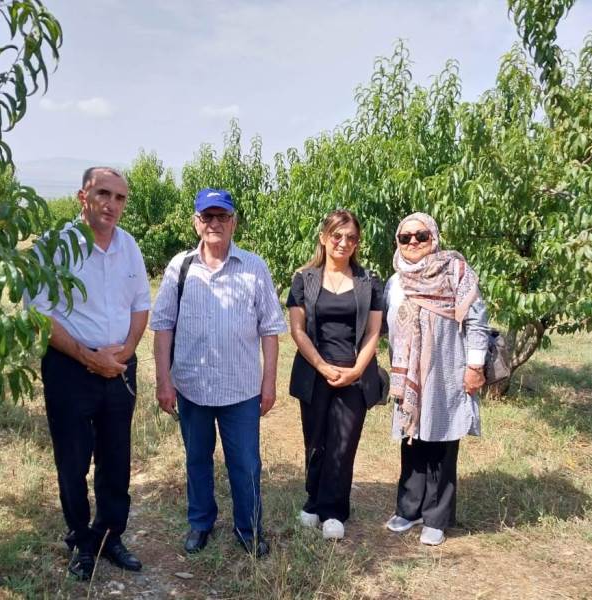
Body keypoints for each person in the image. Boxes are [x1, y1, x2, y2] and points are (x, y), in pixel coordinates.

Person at [26, 167, 150, 579]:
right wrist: (85, 355)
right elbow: (38, 314)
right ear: (83, 197)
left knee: (116, 459)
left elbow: (140, 306)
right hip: (69, 370)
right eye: (103, 194)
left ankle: (110, 536)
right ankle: (80, 540)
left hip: (119, 369)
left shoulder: (129, 247)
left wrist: (127, 352)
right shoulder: (53, 246)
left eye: (120, 198)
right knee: (73, 460)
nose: (112, 204)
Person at [150, 188, 286, 557]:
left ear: (233, 222)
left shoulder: (254, 267)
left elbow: (271, 329)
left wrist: (269, 383)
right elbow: (163, 327)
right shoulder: (180, 267)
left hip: (241, 389)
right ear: (196, 222)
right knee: (197, 459)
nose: (214, 224)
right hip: (191, 386)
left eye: (221, 217)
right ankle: (200, 523)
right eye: (206, 217)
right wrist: (164, 381)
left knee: (245, 465)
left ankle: (249, 529)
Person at [384, 212, 489, 546]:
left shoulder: (455, 271)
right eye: (406, 237)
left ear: (434, 237)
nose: (413, 242)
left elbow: (476, 321)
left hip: (445, 371)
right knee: (411, 439)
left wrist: (474, 366)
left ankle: (437, 517)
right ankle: (410, 508)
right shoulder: (395, 280)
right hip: (409, 377)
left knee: (442, 442)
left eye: (421, 236)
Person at [287, 209, 384, 540]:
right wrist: (322, 365)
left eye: (351, 238)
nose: (344, 243)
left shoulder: (369, 281)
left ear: (357, 243)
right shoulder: (304, 279)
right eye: (337, 236)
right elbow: (298, 330)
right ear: (324, 238)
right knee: (315, 441)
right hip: (315, 371)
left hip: (354, 372)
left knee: (343, 444)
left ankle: (334, 511)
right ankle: (313, 502)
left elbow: (374, 332)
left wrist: (356, 369)